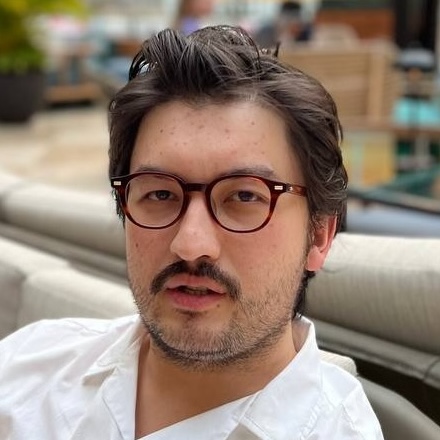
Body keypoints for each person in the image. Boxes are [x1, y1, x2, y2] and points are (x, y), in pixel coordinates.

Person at [0, 25, 383, 439]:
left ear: (319, 236)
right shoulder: (29, 366)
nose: (190, 244)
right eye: (160, 193)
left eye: (244, 196)